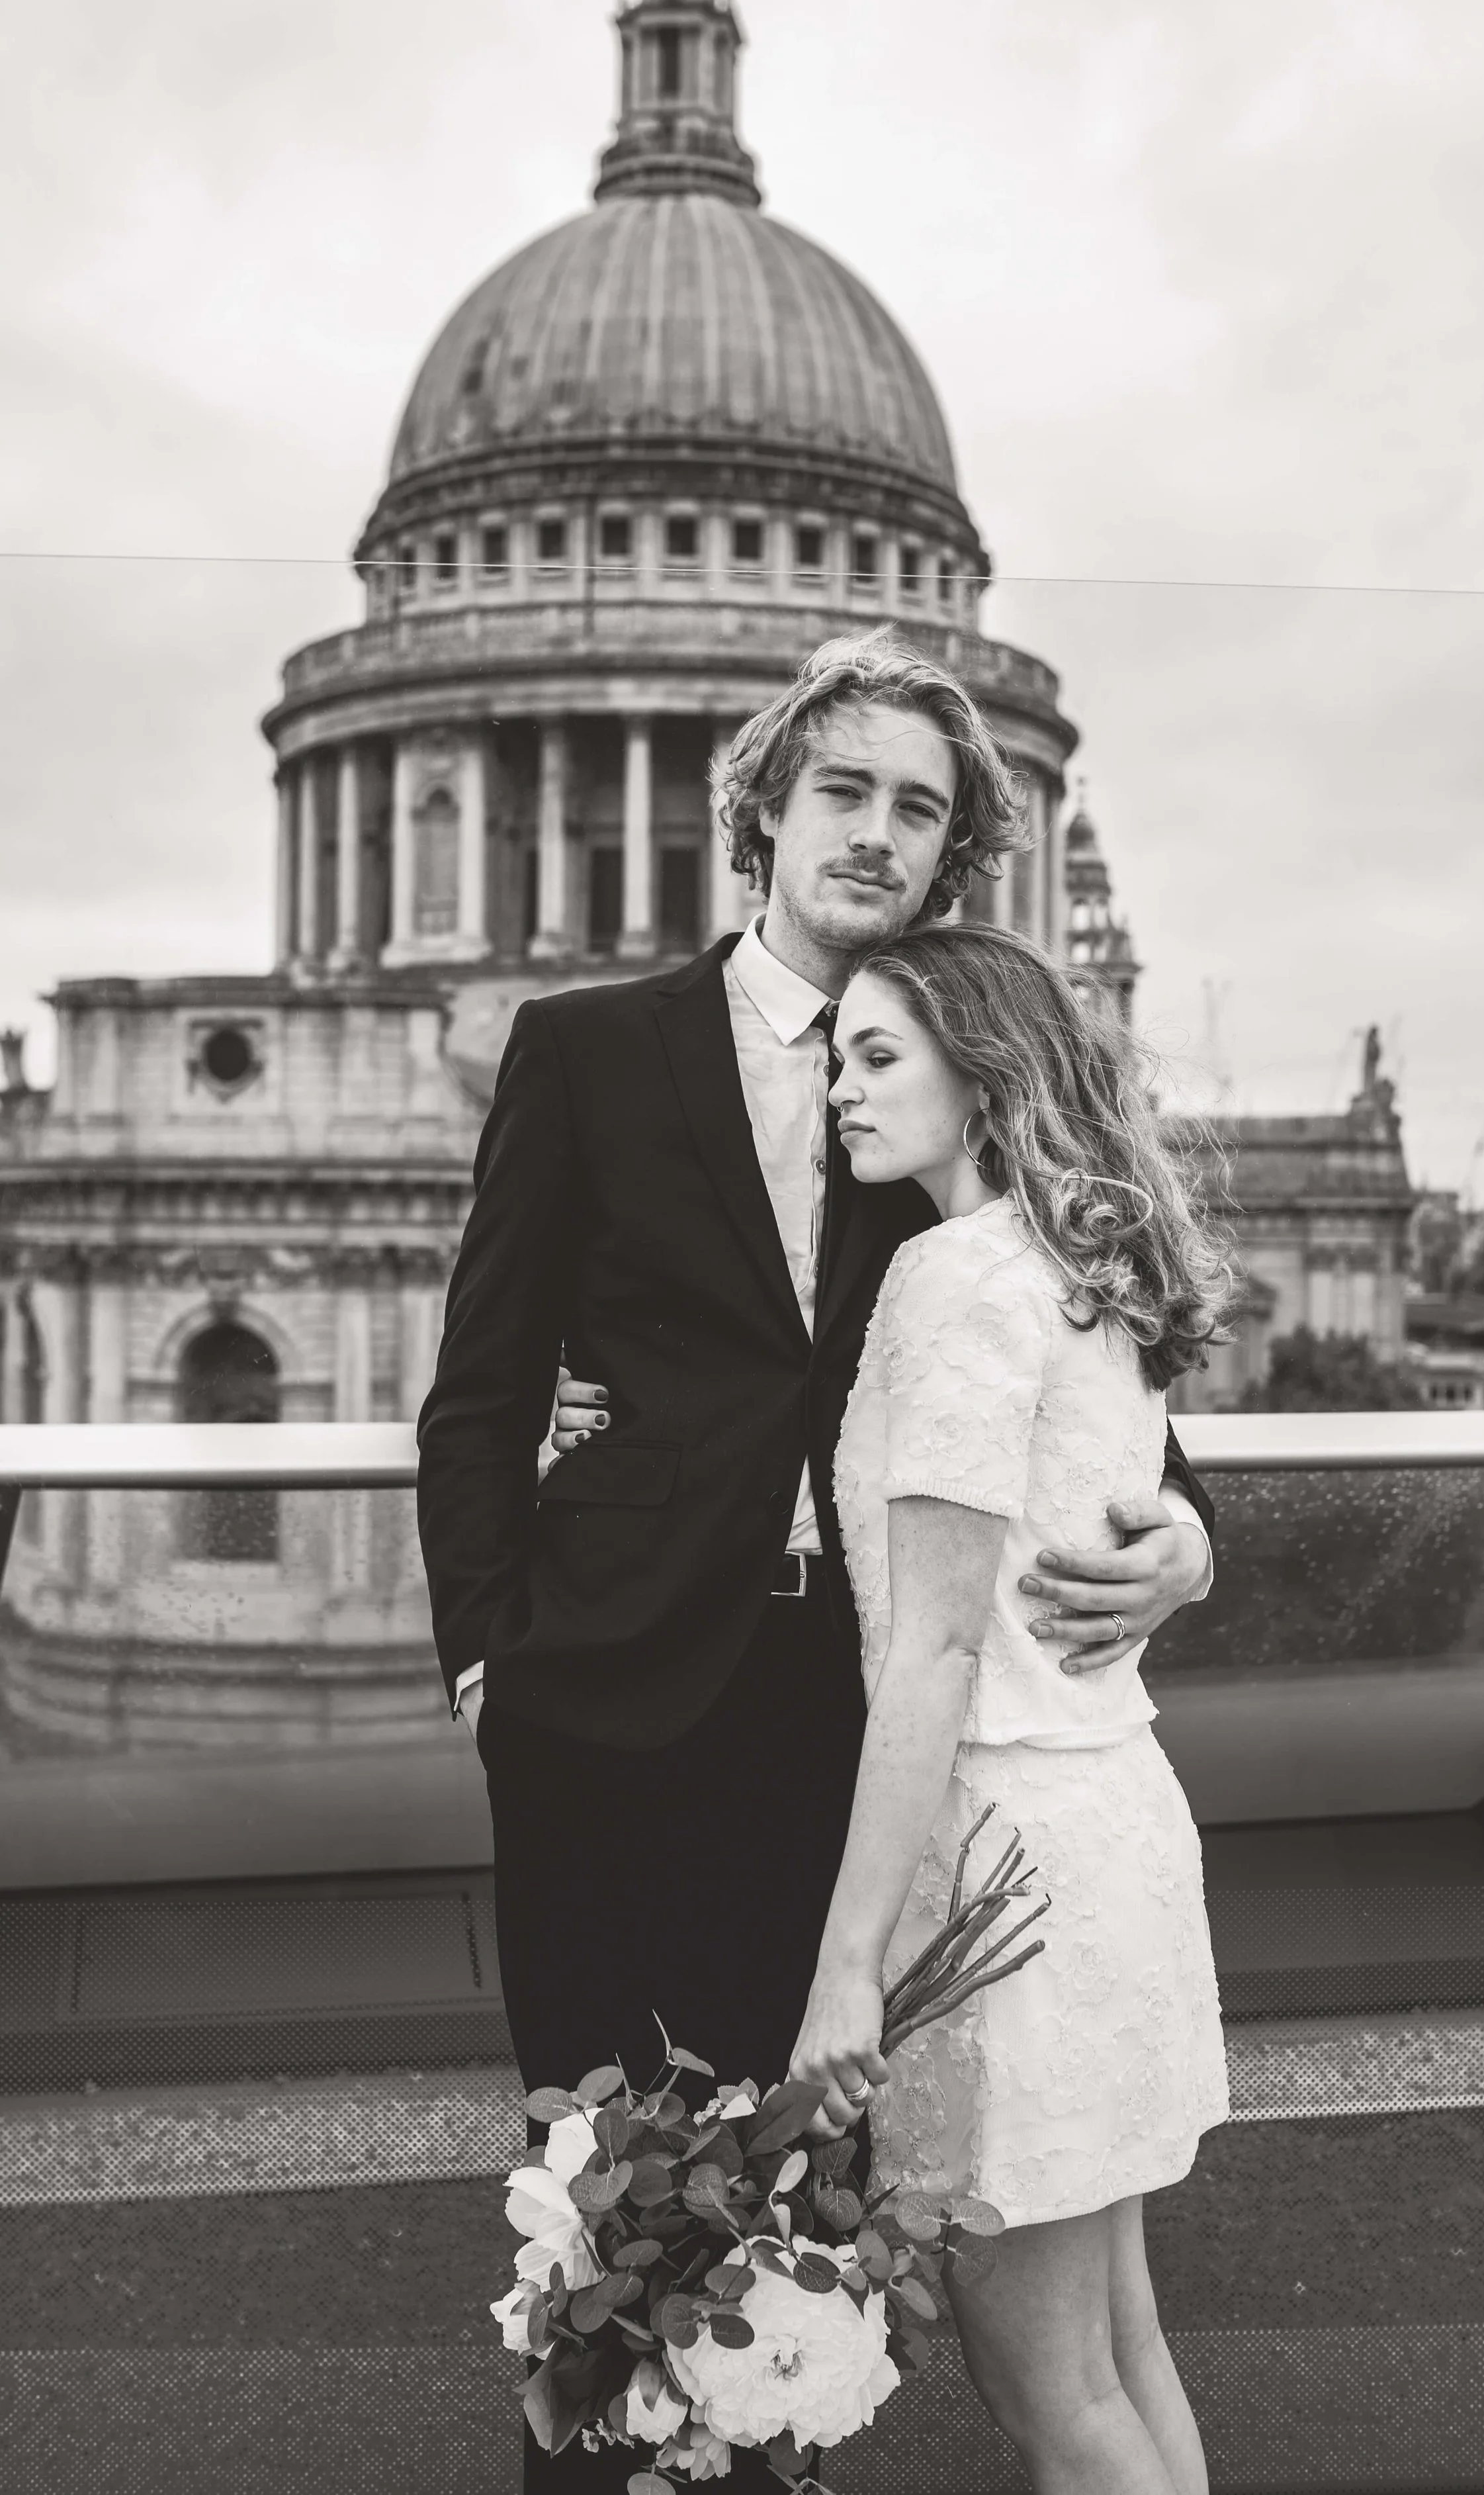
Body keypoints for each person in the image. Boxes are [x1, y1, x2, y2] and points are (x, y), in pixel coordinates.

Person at [415, 630, 1215, 2492]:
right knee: (601, 2229)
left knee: (805, 2243)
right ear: (761, 808)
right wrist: (487, 1661)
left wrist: (1184, 1530)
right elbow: (482, 1383)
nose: (875, 832)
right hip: (601, 1700)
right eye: (843, 790)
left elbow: (1089, 1363)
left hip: (853, 1728)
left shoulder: (945, 1076)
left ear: (953, 859)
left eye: (918, 809)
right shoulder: (585, 1048)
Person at [790, 922, 1233, 2495]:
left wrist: (845, 1964)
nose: (838, 1088)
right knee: (1117, 2342)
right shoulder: (1087, 1263)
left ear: (978, 1071)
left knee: (1046, 2386)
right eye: (835, 1053)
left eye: (876, 1054)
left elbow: (934, 1650)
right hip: (1108, 1821)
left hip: (1000, 1869)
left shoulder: (955, 1275)